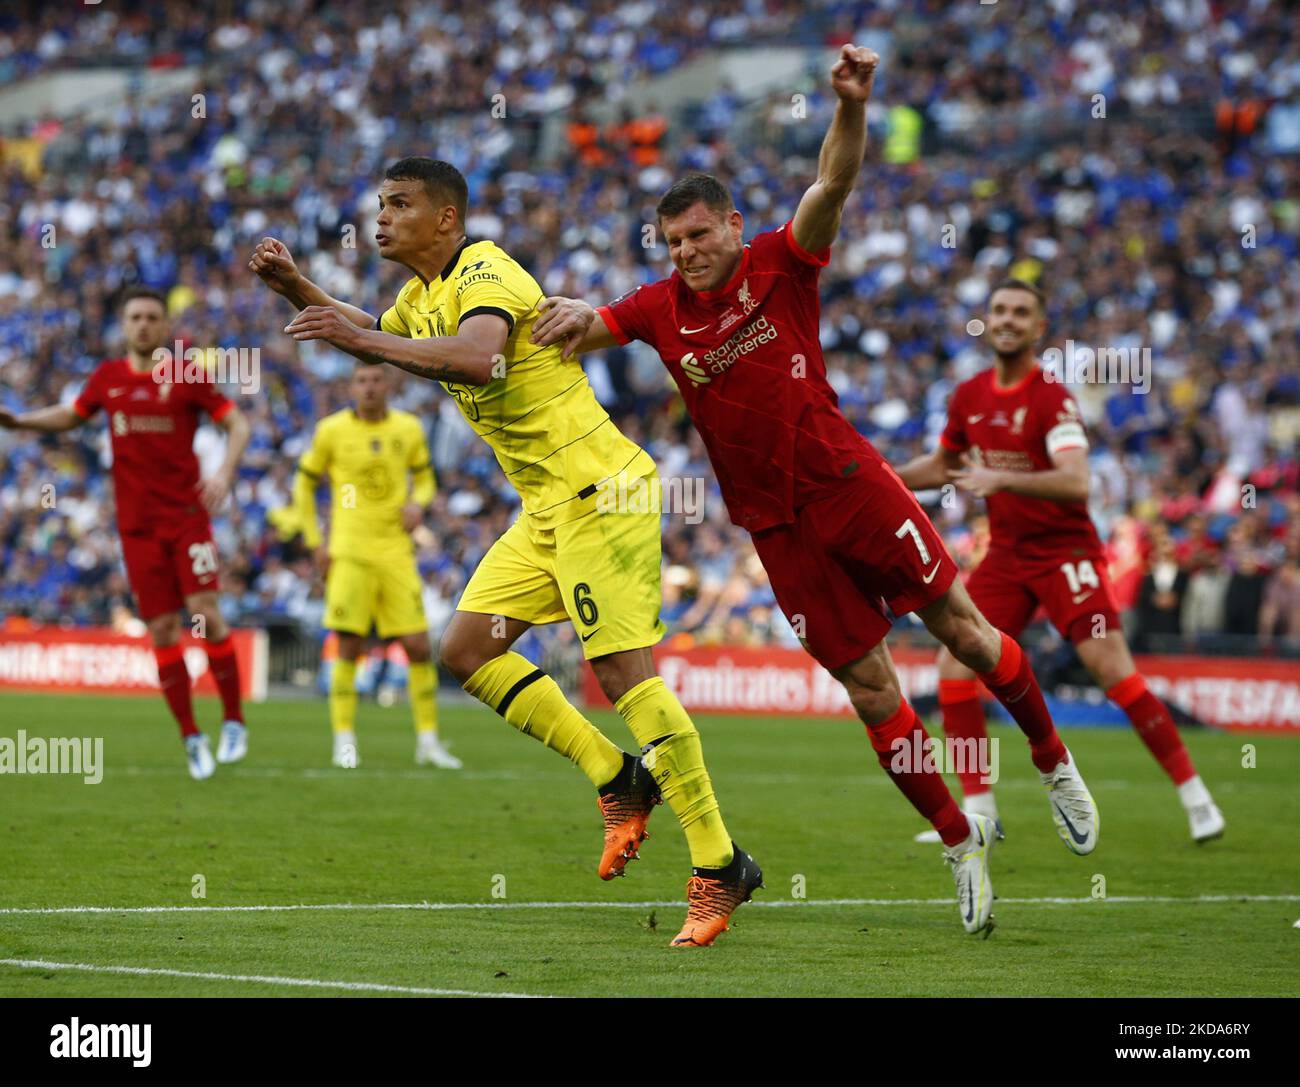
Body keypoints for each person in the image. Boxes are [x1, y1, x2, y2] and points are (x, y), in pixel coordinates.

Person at [530, 46, 1097, 937]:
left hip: (849, 481)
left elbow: (832, 181)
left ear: (732, 224)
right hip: (776, 528)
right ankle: (958, 841)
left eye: (700, 235)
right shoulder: (655, 306)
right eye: (674, 242)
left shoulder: (780, 262)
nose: (689, 253)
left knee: (963, 629)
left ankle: (1053, 757)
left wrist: (851, 106)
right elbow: (594, 328)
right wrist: (562, 319)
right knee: (870, 690)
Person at [249, 157, 757, 948]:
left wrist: (356, 333)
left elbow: (481, 356)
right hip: (548, 507)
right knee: (467, 649)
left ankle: (720, 863)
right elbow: (378, 334)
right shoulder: (421, 297)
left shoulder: (485, 268)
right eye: (380, 204)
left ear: (445, 218)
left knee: (624, 674)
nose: (381, 217)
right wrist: (297, 289)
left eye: (400, 204)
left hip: (602, 492)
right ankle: (618, 777)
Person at [894, 279, 1225, 843]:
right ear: (987, 319)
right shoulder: (970, 395)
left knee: (1113, 673)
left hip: (1064, 553)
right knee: (954, 670)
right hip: (1006, 556)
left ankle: (1196, 798)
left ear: (1038, 327)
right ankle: (982, 811)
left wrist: (1001, 477)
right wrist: (882, 479)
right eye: (999, 310)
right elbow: (944, 465)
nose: (1007, 319)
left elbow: (1076, 482)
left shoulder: (1051, 397)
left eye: (1021, 312)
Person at [0, 288, 251, 780]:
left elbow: (237, 423)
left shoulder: (185, 376)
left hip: (186, 519)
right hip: (137, 528)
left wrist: (223, 472)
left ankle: (235, 720)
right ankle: (191, 737)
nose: (142, 325)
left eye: (151, 317)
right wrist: (21, 421)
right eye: (134, 317)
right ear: (124, 324)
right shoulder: (108, 378)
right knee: (161, 630)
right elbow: (72, 414)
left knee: (205, 613)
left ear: (164, 326)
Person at [290, 363, 461, 770]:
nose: (369, 387)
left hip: (396, 552)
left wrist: (418, 503)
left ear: (390, 384)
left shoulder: (408, 429)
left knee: (419, 646)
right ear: (352, 386)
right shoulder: (332, 430)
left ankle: (428, 741)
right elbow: (304, 484)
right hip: (349, 551)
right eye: (362, 381)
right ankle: (345, 741)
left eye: (377, 380)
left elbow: (425, 479)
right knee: (349, 646)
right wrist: (316, 541)